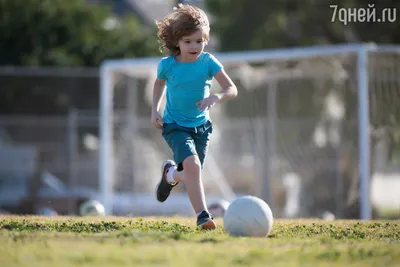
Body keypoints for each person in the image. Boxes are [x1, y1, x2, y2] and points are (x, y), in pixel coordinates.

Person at [151, 4, 238, 230]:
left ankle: (170, 175)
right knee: (192, 165)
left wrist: (215, 98)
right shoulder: (167, 65)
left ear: (205, 41)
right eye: (188, 41)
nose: (194, 46)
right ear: (177, 41)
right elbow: (159, 83)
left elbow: (231, 89)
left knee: (192, 171)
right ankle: (202, 216)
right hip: (174, 126)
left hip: (202, 128)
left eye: (199, 41)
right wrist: (155, 110)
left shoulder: (208, 62)